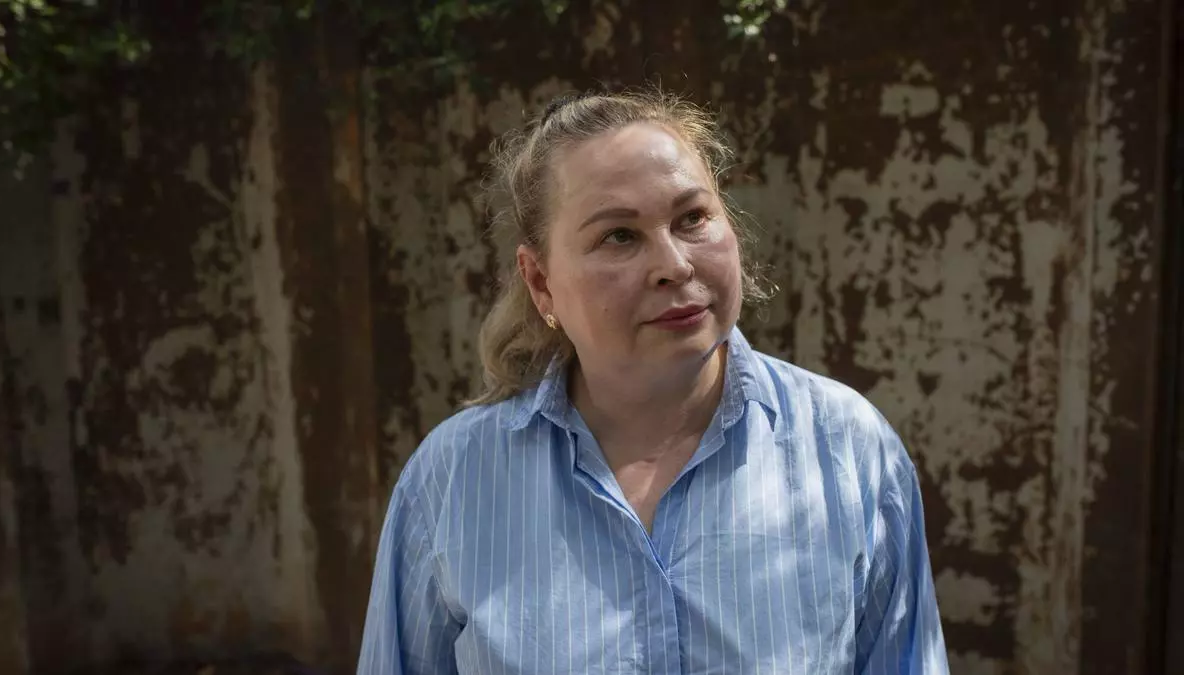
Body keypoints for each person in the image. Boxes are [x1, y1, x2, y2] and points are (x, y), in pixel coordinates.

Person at [356, 88, 949, 674]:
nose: (674, 264)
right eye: (619, 235)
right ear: (540, 282)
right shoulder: (454, 482)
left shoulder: (845, 447)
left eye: (693, 218)